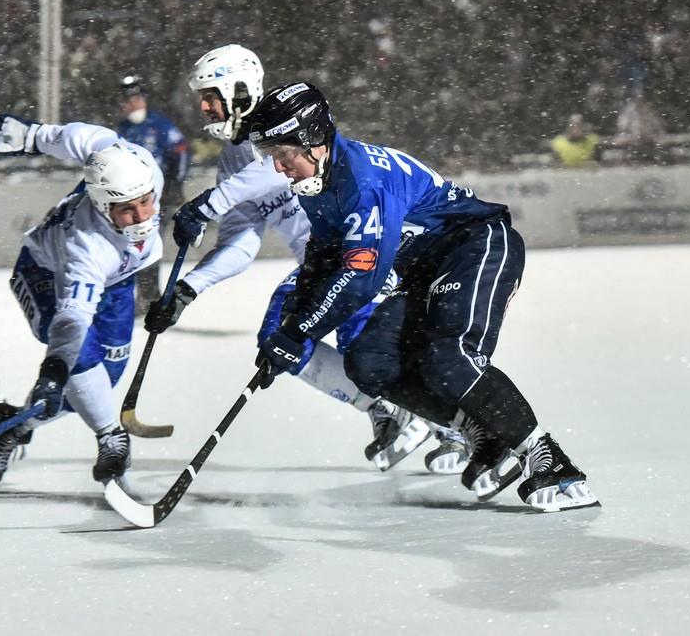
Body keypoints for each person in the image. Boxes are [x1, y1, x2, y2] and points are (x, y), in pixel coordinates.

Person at [248, 81, 599, 512]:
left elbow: (361, 279)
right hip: (424, 268)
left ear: (313, 141)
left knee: (447, 358)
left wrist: (299, 332)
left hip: (475, 244)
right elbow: (323, 260)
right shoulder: (320, 185)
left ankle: (549, 460)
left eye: (283, 156)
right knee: (367, 363)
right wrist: (289, 329)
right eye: (271, 158)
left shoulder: (363, 180)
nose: (279, 168)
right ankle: (479, 430)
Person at [144, 45, 459, 474]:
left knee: (366, 346)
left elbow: (269, 171)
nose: (203, 107)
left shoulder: (287, 124)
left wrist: (207, 205)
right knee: (285, 340)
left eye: (210, 96)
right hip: (321, 264)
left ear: (238, 90)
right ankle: (396, 411)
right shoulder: (234, 159)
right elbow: (241, 242)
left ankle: (459, 428)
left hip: (366, 248)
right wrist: (186, 290)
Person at [0, 113, 164, 486]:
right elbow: (71, 321)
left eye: (146, 202)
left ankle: (13, 425)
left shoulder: (133, 161)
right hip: (46, 275)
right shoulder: (87, 247)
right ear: (102, 205)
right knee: (79, 364)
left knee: (101, 381)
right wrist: (54, 368)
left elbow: (81, 136)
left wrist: (32, 136)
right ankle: (111, 437)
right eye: (127, 210)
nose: (142, 218)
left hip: (118, 281)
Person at [116, 75, 188, 311]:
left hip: (157, 197)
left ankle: (150, 298)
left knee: (147, 245)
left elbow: (181, 150)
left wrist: (175, 184)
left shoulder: (159, 124)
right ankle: (144, 297)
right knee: (132, 247)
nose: (132, 104)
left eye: (136, 98)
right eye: (127, 100)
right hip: (129, 198)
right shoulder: (124, 128)